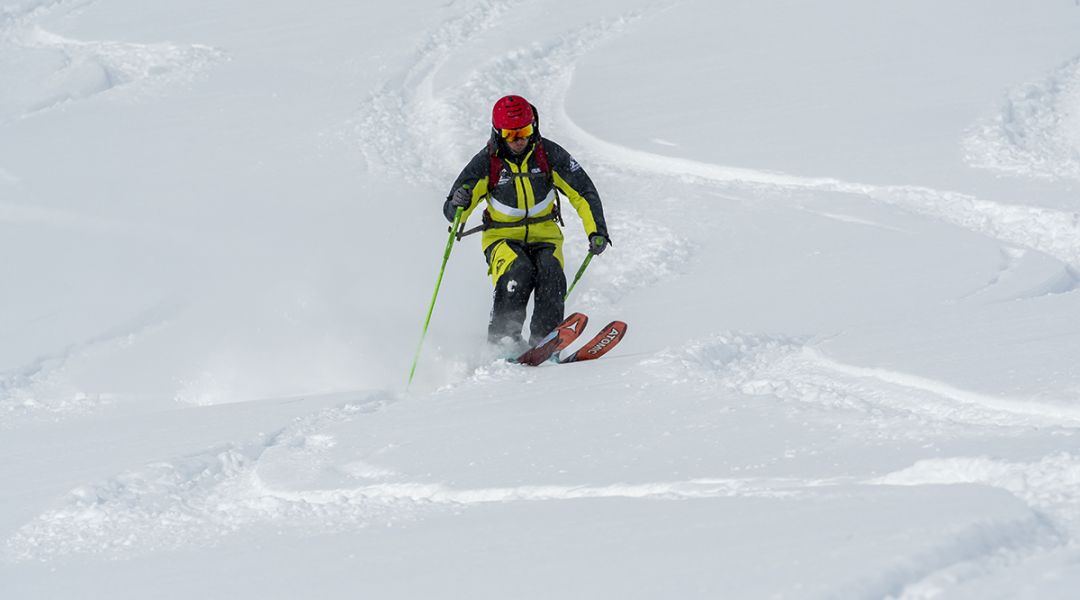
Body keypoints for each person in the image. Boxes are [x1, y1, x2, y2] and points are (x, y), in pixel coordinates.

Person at [444, 94, 610, 350]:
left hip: (546, 236)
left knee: (551, 274)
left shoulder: (548, 155)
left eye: (524, 131)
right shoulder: (487, 162)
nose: (519, 140)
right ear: (498, 133)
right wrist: (458, 202)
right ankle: (502, 342)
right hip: (501, 238)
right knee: (518, 272)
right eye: (511, 135)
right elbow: (453, 211)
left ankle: (544, 342)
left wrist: (596, 230)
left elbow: (583, 191)